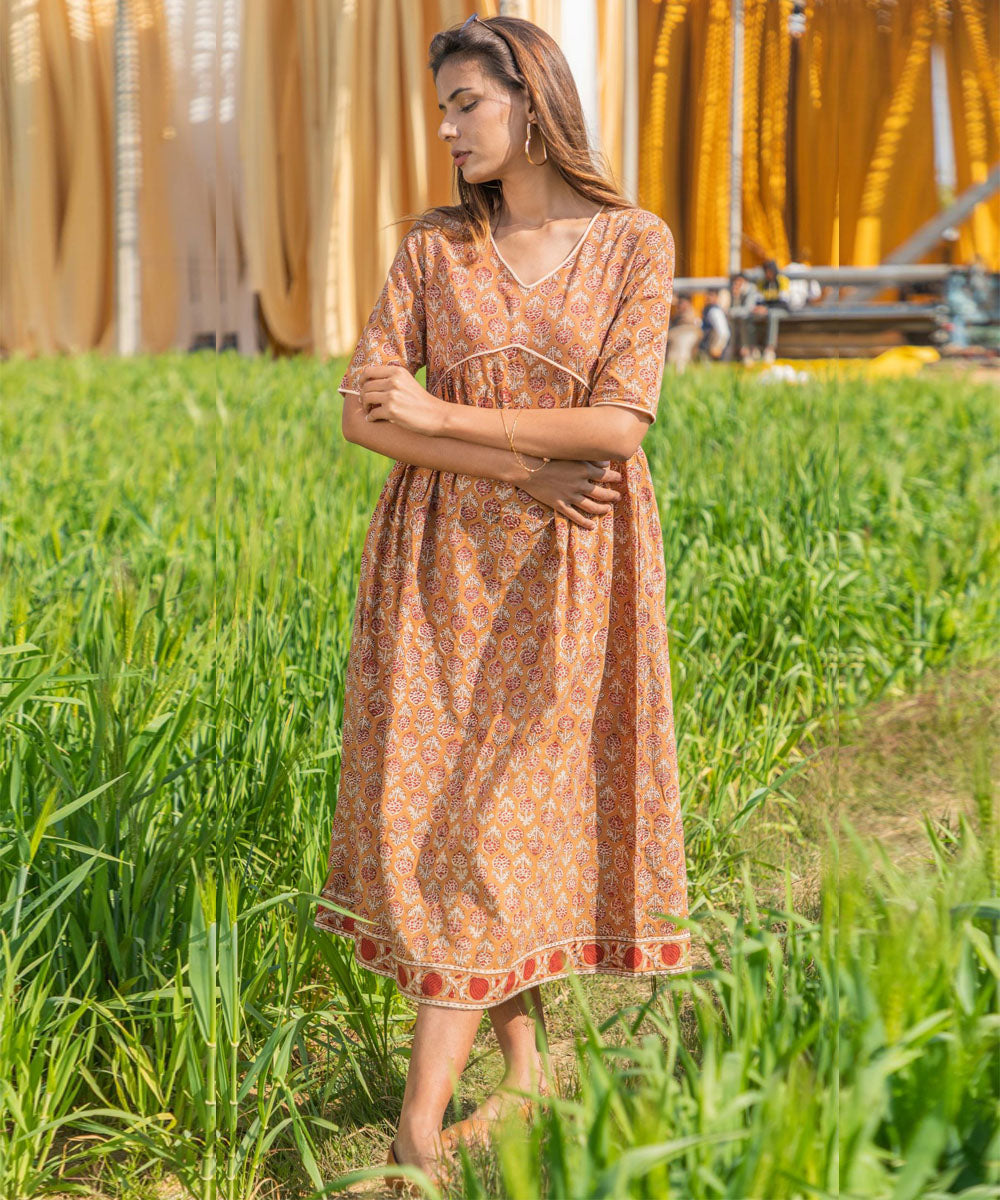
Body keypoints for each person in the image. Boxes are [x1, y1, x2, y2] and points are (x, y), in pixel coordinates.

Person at [312, 11, 692, 1188]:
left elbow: (621, 425)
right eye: (442, 109)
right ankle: (526, 1076)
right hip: (435, 566)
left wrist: (443, 420)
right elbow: (365, 410)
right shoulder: (434, 248)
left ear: (530, 100)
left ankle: (414, 1137)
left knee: (489, 824)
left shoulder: (635, 242)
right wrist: (511, 461)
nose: (446, 130)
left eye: (465, 104)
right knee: (463, 819)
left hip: (576, 571)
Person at [698, 287, 731, 360]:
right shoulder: (708, 309)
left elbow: (724, 332)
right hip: (708, 344)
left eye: (711, 295)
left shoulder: (714, 311)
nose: (708, 297)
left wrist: (718, 347)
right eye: (707, 295)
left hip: (714, 347)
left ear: (716, 297)